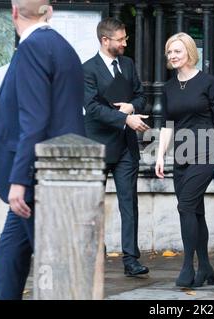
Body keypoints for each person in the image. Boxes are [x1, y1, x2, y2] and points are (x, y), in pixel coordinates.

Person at [0, 0, 86, 299]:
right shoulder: (63, 47)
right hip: (54, 172)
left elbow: (35, 119)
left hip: (36, 177)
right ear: (49, 11)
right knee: (8, 257)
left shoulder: (31, 48)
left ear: (14, 13)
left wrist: (19, 180)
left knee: (57, 274)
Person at [155, 32, 214, 288]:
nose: (173, 56)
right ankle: (206, 268)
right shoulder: (169, 87)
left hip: (206, 152)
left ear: (189, 52)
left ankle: (188, 266)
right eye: (169, 52)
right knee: (195, 211)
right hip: (181, 155)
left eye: (177, 51)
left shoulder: (207, 82)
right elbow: (166, 124)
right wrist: (160, 155)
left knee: (185, 207)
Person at [83, 17, 149, 277]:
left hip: (125, 147)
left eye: (125, 39)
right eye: (121, 39)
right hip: (98, 145)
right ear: (105, 40)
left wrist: (132, 107)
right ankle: (93, 254)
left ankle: (131, 259)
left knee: (128, 203)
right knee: (92, 205)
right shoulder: (87, 69)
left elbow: (141, 95)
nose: (124, 43)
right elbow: (94, 109)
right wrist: (126, 119)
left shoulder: (128, 64)